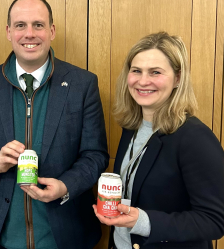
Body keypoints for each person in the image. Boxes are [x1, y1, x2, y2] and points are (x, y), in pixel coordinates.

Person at [0, 0, 109, 249]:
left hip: (68, 235)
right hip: (4, 237)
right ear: (9, 32)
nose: (29, 34)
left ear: (51, 30)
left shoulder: (82, 84)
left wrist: (65, 186)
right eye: (20, 25)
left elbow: (95, 155)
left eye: (38, 25)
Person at [93, 32, 224, 249]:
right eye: (136, 71)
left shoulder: (195, 138)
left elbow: (215, 221)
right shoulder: (131, 127)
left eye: (155, 72)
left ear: (178, 78)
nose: (143, 81)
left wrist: (143, 222)